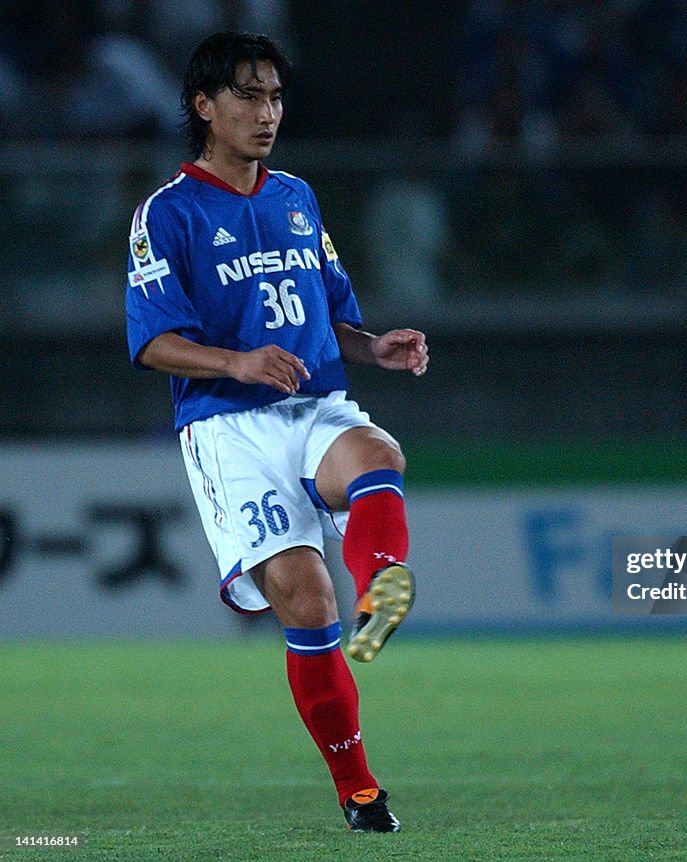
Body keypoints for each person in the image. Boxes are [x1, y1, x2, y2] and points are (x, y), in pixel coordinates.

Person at [124, 32, 427, 833]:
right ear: (205, 106)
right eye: (250, 96)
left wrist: (374, 346)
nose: (267, 114)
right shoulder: (167, 213)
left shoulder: (297, 196)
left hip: (312, 401)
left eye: (276, 97)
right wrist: (237, 361)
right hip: (227, 428)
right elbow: (153, 342)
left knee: (379, 456)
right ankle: (359, 790)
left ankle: (385, 585)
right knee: (304, 597)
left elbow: (331, 311)